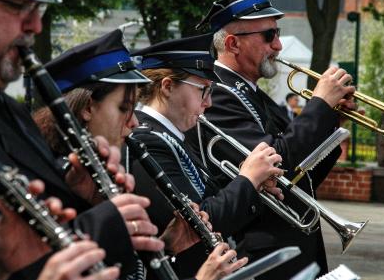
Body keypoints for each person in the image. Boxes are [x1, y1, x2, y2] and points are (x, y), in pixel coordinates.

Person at [0, 0, 160, 279]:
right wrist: (103, 224)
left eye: (37, 10)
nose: (35, 27)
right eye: (16, 5)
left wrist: (81, 196)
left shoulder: (5, 108)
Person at [33, 29, 248, 280]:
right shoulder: (49, 184)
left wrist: (167, 247)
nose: (134, 121)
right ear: (88, 107)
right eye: (124, 108)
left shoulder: (89, 179)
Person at [189, 0, 356, 279]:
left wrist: (332, 122)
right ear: (232, 43)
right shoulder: (216, 95)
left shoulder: (255, 95)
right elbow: (276, 162)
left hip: (294, 248)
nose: (277, 45)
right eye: (268, 35)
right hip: (261, 255)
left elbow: (301, 175)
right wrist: (318, 105)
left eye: (277, 34)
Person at [127, 34, 284, 278]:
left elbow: (205, 198)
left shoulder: (174, 135)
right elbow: (195, 223)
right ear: (167, 87)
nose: (209, 103)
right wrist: (247, 180)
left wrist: (253, 185)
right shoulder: (147, 139)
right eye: (203, 91)